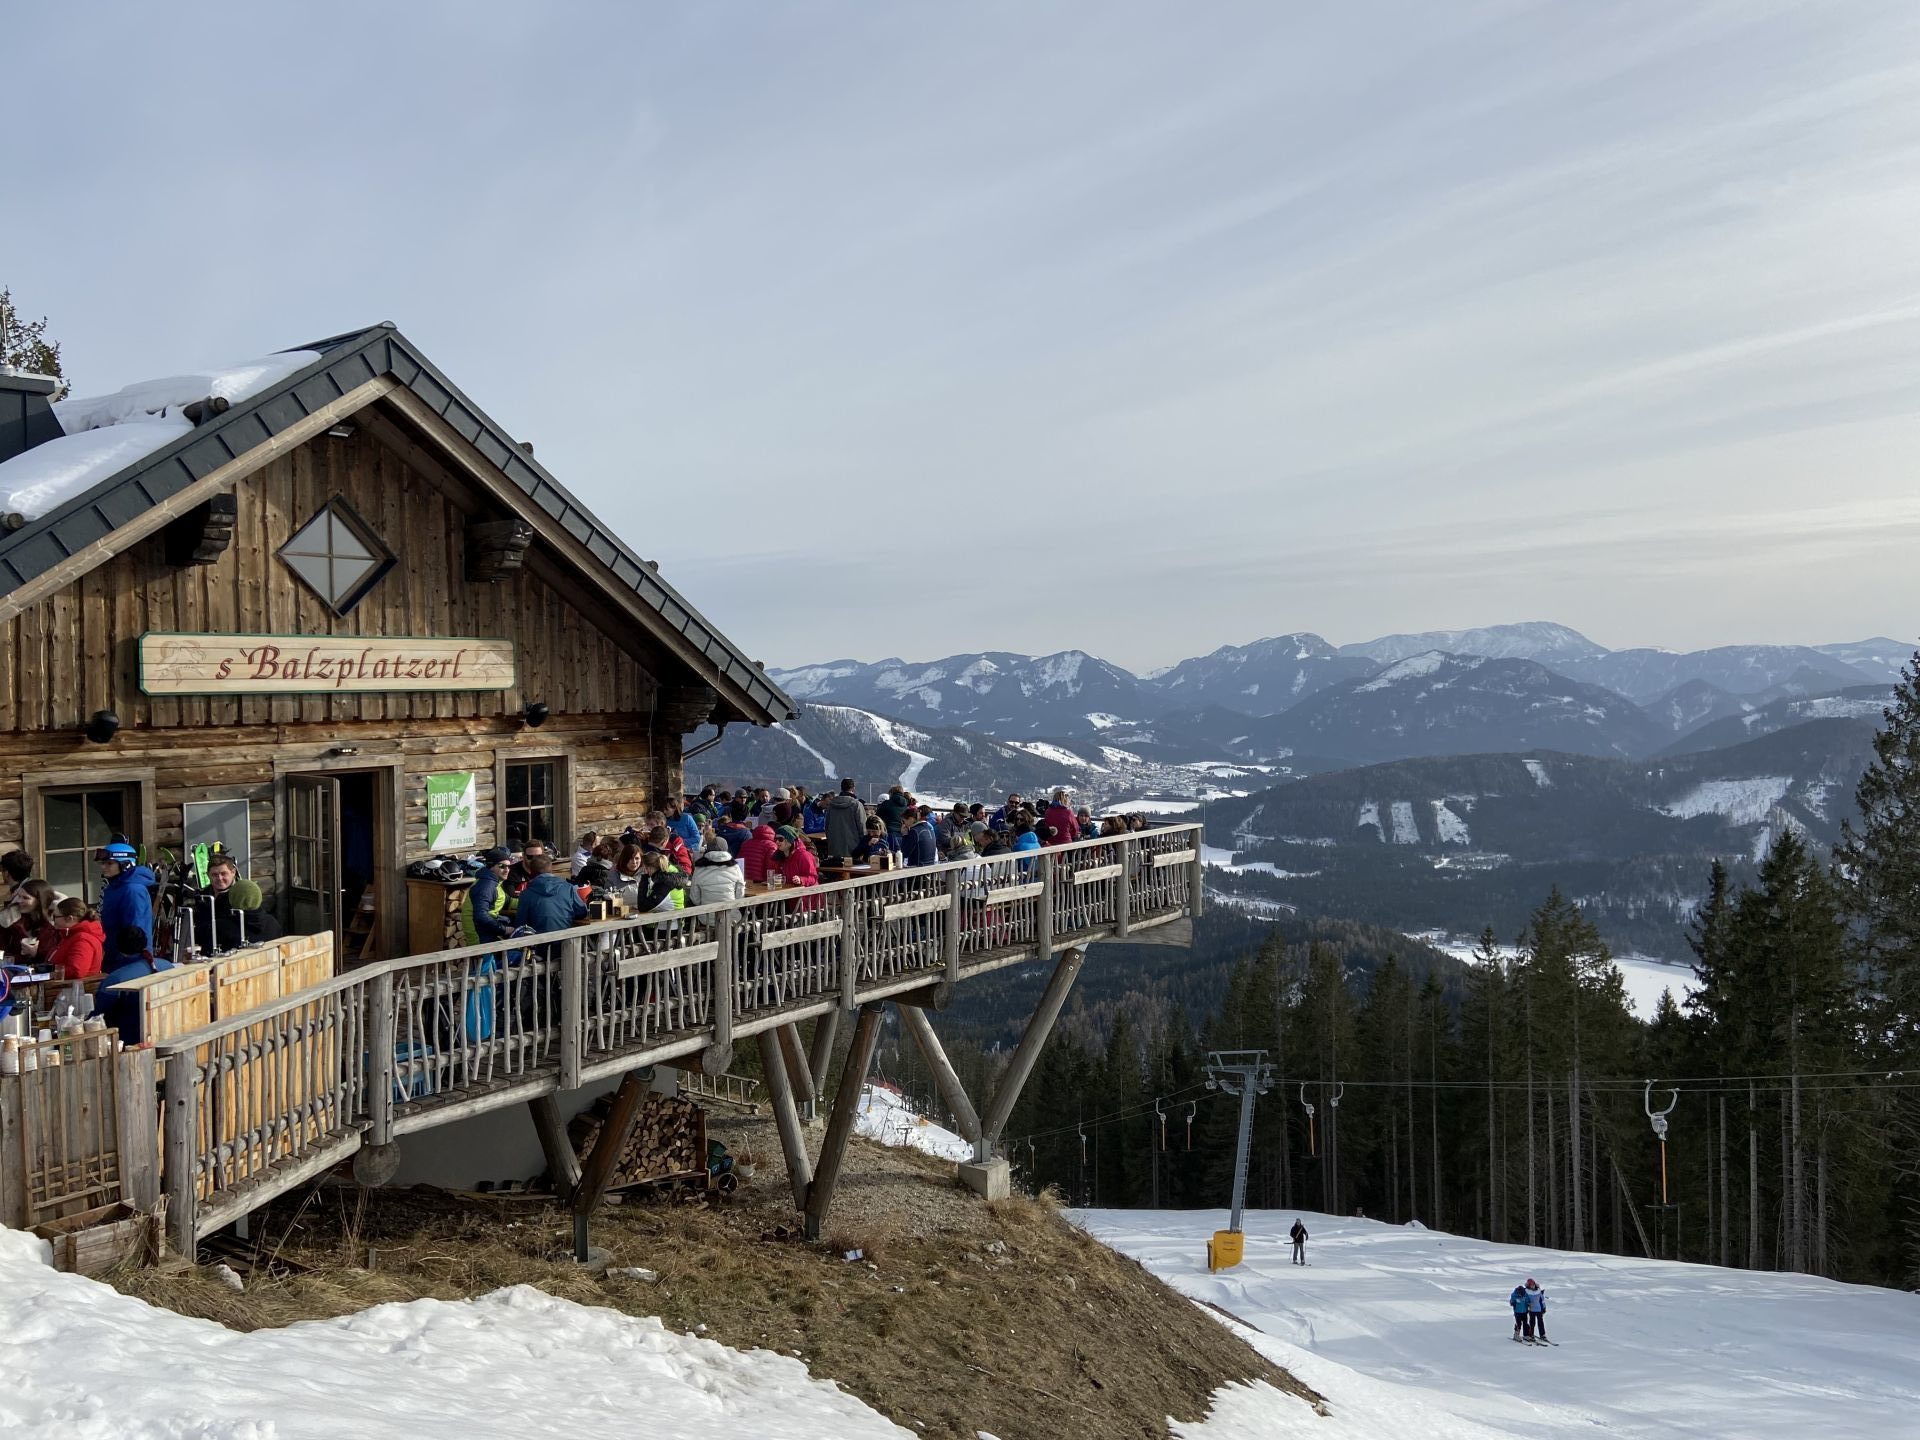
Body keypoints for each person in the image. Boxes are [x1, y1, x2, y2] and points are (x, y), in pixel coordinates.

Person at [96, 927, 176, 1045]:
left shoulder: (115, 979)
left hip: (130, 1040)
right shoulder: (167, 966)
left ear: (118, 947)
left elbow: (98, 1015)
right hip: (167, 1029)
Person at [204, 852, 282, 950]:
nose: (219, 878)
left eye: (223, 874)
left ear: (233, 872)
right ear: (208, 875)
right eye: (215, 875)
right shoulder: (203, 896)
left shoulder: (241, 893)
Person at [96, 841, 155, 970]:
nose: (103, 867)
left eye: (109, 863)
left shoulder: (133, 890)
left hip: (130, 959)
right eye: (103, 863)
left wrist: (130, 956)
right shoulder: (113, 887)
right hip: (112, 955)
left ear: (125, 864)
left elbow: (135, 930)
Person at [514, 852, 586, 934]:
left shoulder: (526, 894)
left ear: (530, 872)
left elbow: (519, 924)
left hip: (537, 942)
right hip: (564, 940)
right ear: (551, 870)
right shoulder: (568, 888)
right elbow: (582, 912)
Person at [462, 848, 514, 943]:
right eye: (502, 866)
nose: (507, 870)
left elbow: (507, 901)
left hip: (486, 928)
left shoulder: (494, 882)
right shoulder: (486, 885)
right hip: (479, 933)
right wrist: (503, 930)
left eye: (509, 866)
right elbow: (481, 916)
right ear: (491, 866)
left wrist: (529, 901)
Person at [2, 878, 60, 963]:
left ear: (40, 901)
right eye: (18, 896)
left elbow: (54, 957)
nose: (19, 900)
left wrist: (36, 953)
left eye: (25, 898)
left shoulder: (53, 924)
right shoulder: (11, 918)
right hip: (11, 971)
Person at [47, 897, 105, 980]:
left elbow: (77, 970)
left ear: (70, 918)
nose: (53, 921)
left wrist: (50, 973)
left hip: (71, 989)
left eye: (55, 917)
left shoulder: (83, 940)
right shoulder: (70, 935)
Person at [824, 778, 867, 859]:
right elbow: (862, 827)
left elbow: (827, 826)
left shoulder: (831, 805)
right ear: (853, 788)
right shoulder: (857, 805)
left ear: (841, 788)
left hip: (834, 847)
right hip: (853, 848)